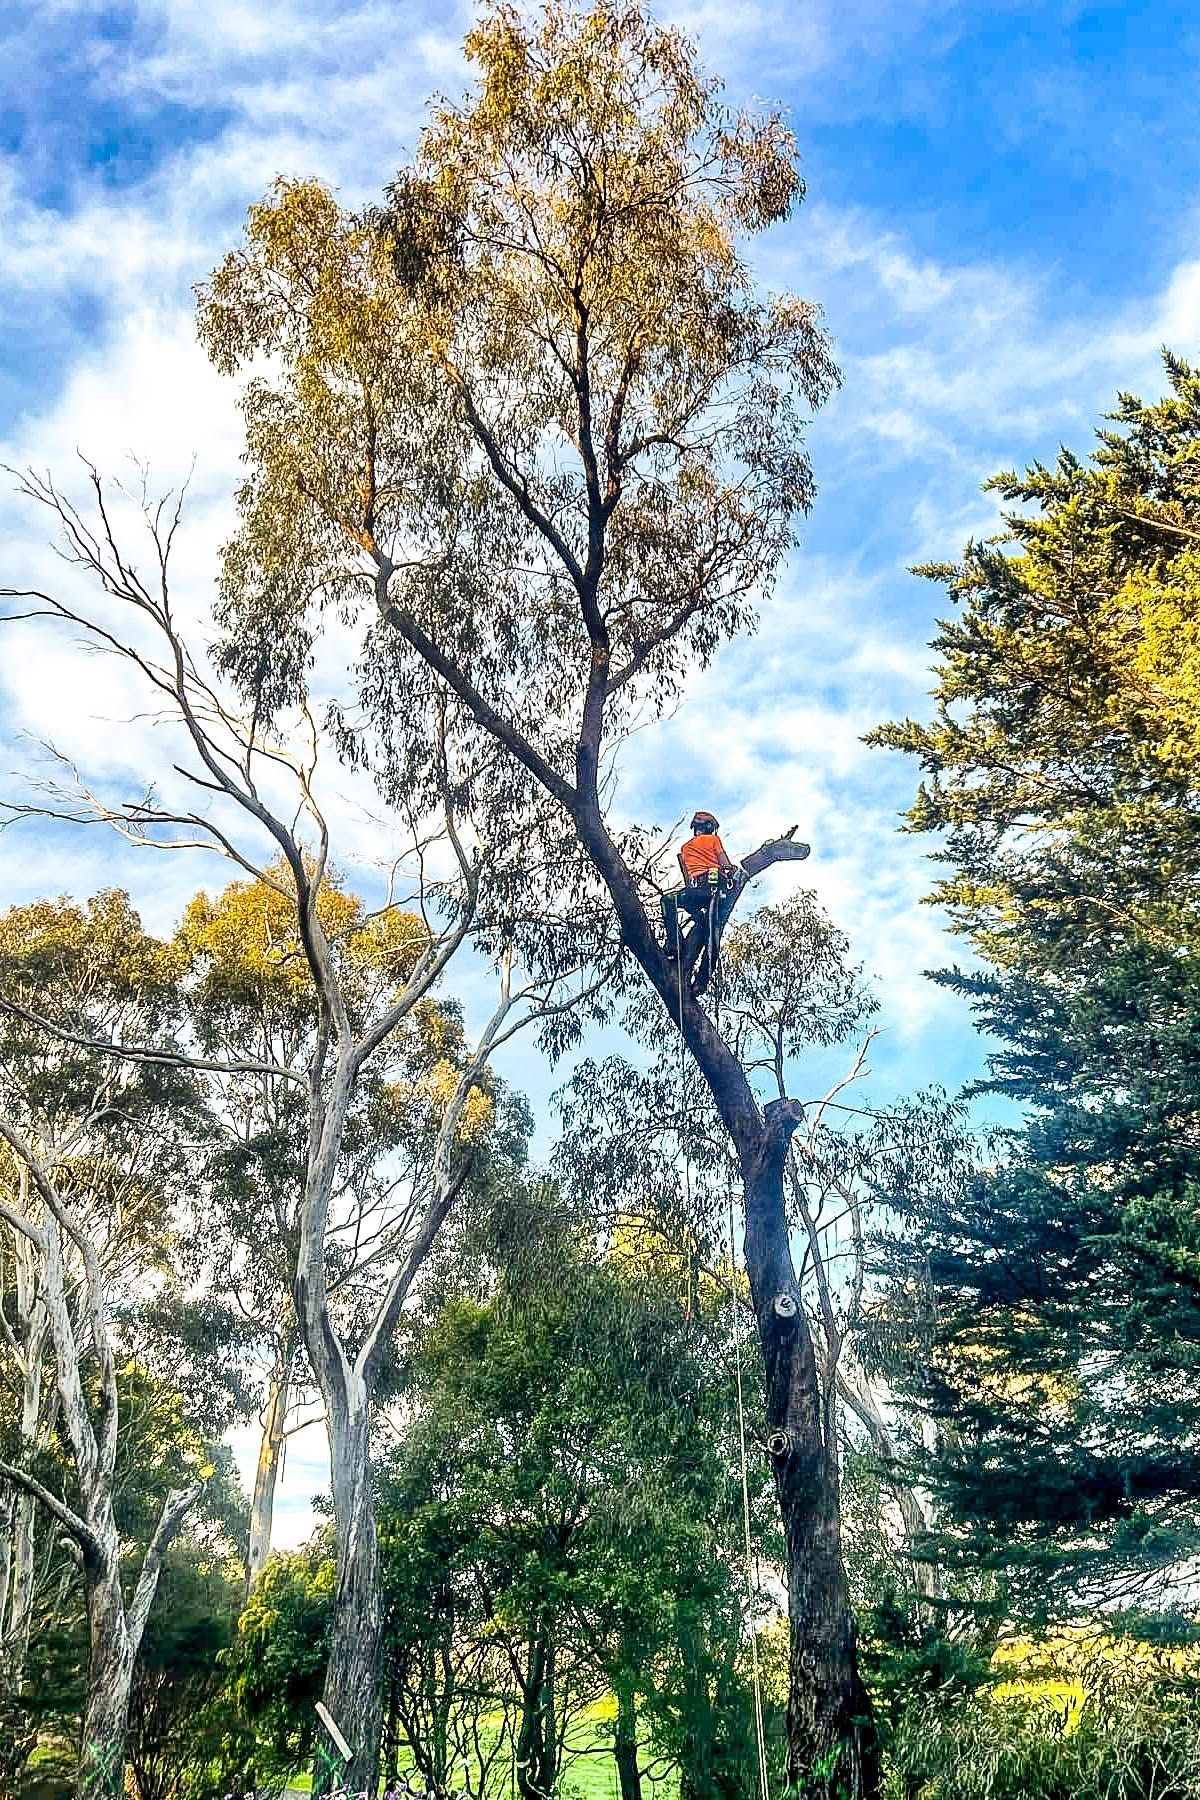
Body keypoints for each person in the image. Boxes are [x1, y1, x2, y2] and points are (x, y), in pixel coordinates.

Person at [661, 810, 740, 963]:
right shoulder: (713, 839)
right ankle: (701, 921)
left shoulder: (685, 848)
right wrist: (731, 873)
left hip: (694, 892)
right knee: (711, 916)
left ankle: (674, 943)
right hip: (714, 890)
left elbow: (688, 875)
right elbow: (725, 865)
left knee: (667, 900)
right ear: (709, 827)